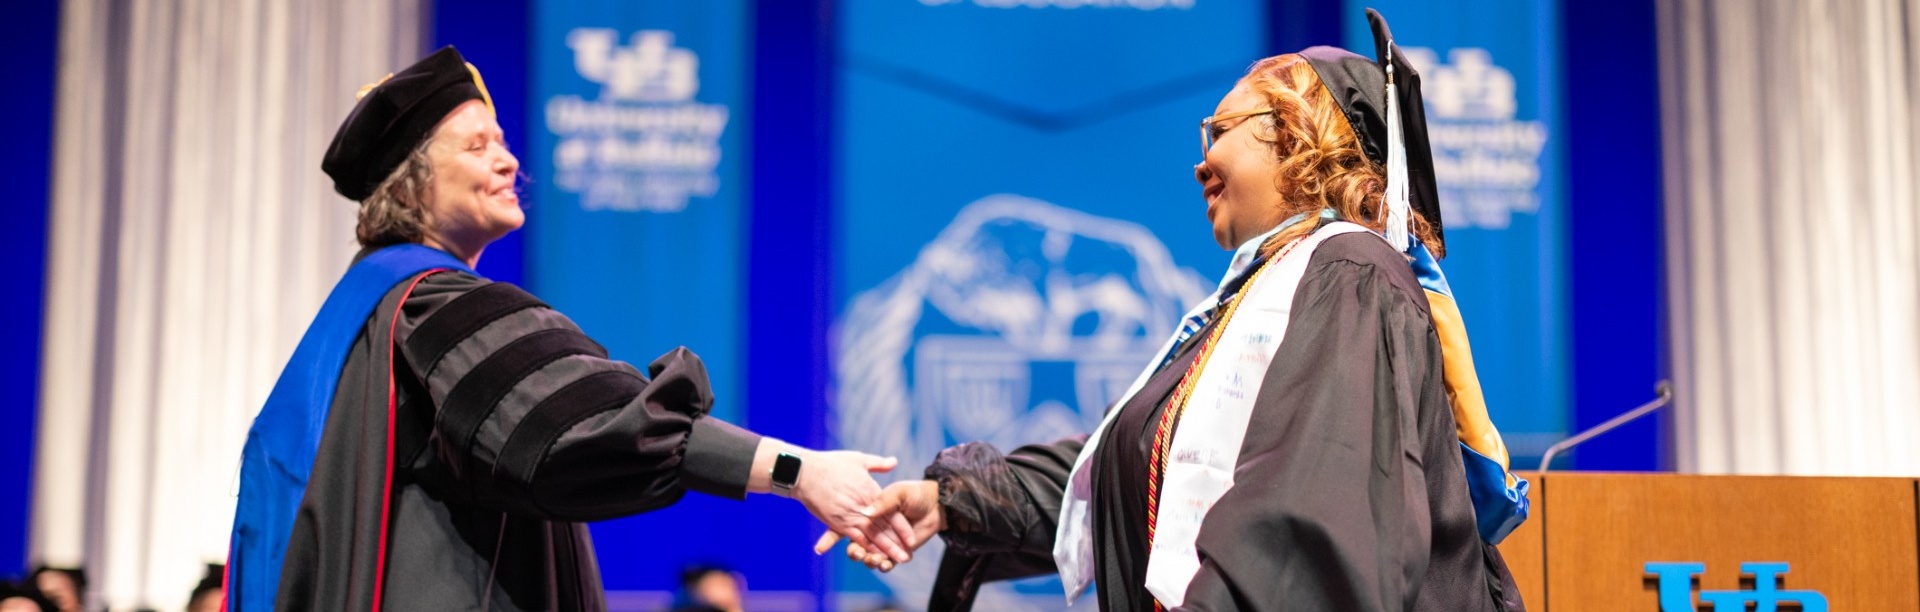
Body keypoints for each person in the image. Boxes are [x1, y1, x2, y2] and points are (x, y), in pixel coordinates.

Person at [829, 10, 1530, 611]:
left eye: (1220, 131)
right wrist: (958, 501)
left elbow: (1309, 525)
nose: (1201, 161)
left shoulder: (1348, 275)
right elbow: (1134, 473)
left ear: (1298, 134)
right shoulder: (1261, 298)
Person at [226, 46, 911, 611]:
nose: (506, 161)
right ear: (411, 182)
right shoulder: (431, 304)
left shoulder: (371, 309)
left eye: (502, 142)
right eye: (476, 146)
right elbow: (594, 424)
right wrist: (799, 472)